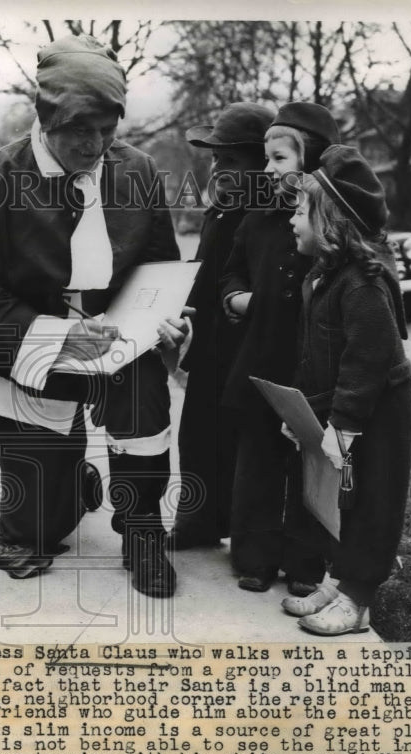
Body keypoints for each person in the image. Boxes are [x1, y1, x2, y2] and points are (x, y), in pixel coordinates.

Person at [0, 34, 187, 597]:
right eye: (81, 130)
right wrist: (60, 338)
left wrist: (169, 322)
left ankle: (141, 529)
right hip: (34, 350)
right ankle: (69, 486)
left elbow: (160, 268)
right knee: (36, 534)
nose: (96, 145)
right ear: (45, 118)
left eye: (108, 130)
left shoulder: (137, 172)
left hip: (118, 343)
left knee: (144, 408)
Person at [281, 145, 411, 635]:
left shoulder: (361, 285)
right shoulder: (323, 276)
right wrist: (303, 413)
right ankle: (340, 579)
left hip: (377, 415)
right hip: (346, 410)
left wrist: (344, 424)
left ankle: (359, 600)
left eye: (301, 210)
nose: (292, 218)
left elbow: (368, 361)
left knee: (373, 503)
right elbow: (315, 358)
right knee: (342, 502)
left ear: (331, 222)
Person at [217, 102, 339, 594]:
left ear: (311, 162)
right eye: (266, 159)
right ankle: (255, 556)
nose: (267, 170)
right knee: (260, 458)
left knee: (311, 459)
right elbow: (232, 270)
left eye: (280, 159)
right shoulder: (259, 219)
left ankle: (306, 561)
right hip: (262, 356)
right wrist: (239, 298)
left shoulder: (332, 223)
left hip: (313, 364)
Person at [171, 102, 274, 551]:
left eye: (232, 160)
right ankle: (198, 523)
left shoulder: (271, 218)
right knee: (197, 433)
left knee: (246, 441)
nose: (219, 169)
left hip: (250, 346)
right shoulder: (220, 210)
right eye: (215, 159)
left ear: (262, 163)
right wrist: (185, 310)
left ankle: (249, 533)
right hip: (211, 342)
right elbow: (202, 269)